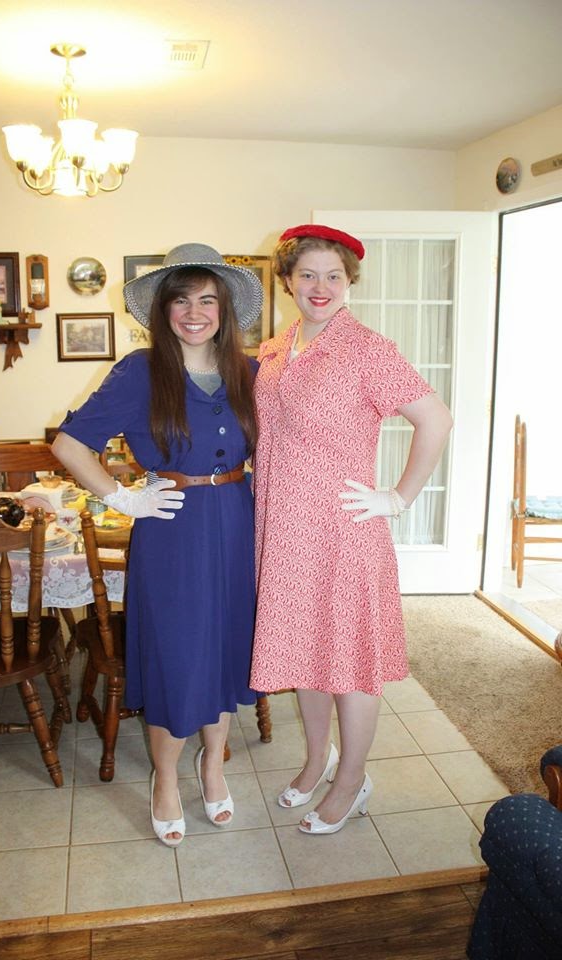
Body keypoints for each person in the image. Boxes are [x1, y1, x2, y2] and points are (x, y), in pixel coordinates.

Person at [53, 243, 263, 847]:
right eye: (181, 300)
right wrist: (121, 498)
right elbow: (69, 445)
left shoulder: (248, 372)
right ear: (163, 310)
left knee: (226, 652)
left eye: (207, 300)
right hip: (172, 528)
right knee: (177, 657)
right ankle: (165, 779)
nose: (194, 313)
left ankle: (213, 765)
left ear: (224, 309)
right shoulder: (140, 371)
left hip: (237, 521)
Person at [250, 224, 453, 836]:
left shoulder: (368, 349)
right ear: (287, 281)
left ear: (349, 282)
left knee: (350, 659)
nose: (321, 287)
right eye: (308, 274)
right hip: (283, 532)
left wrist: (398, 496)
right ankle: (317, 761)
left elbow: (436, 420)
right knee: (306, 652)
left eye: (333, 276)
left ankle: (352, 779)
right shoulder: (274, 350)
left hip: (342, 532)